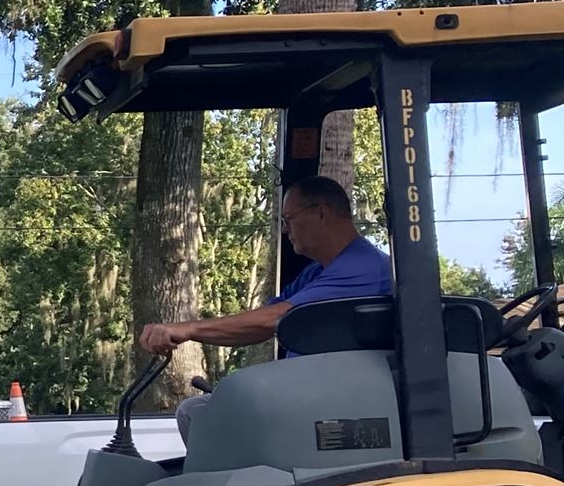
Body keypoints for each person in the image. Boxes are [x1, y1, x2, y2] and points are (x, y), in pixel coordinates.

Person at [139, 175, 392, 430]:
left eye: (288, 219)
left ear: (320, 214)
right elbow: (263, 320)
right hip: (311, 396)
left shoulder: (365, 268)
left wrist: (188, 329)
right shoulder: (318, 272)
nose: (285, 230)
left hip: (339, 407)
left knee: (197, 414)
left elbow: (274, 319)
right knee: (198, 411)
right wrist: (190, 333)